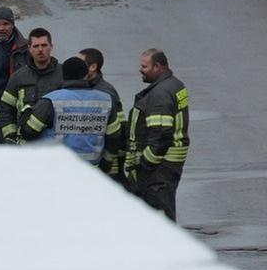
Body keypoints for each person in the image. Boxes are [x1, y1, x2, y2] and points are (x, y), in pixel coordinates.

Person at [20, 57, 118, 167]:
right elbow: (114, 137)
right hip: (91, 171)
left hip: (57, 169)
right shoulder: (105, 100)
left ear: (63, 76)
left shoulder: (51, 100)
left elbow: (29, 132)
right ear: (86, 75)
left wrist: (26, 112)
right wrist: (107, 163)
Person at [130, 48, 190, 219]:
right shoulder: (175, 84)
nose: (140, 69)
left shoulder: (159, 95)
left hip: (160, 167)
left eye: (145, 66)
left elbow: (161, 135)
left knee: (160, 211)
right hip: (170, 163)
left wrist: (145, 163)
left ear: (158, 67)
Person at [0, 28, 65, 138]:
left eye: (44, 45)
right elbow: (6, 108)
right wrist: (11, 135)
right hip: (26, 143)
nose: (40, 50)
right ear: (29, 49)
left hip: (56, 144)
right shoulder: (18, 77)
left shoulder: (64, 74)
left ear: (51, 46)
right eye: (36, 46)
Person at [80, 47, 130, 186]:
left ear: (93, 67)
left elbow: (118, 130)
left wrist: (106, 162)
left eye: (80, 63)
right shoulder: (88, 87)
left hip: (107, 165)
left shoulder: (105, 92)